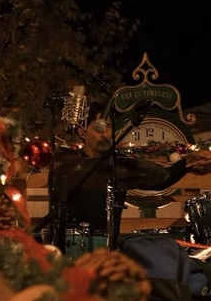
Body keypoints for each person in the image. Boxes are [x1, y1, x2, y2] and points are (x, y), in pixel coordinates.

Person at [50, 105, 211, 253]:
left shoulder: (118, 163)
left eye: (109, 127)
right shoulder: (71, 165)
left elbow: (161, 179)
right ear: (82, 132)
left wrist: (189, 160)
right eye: (99, 128)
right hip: (74, 244)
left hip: (110, 245)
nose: (106, 134)